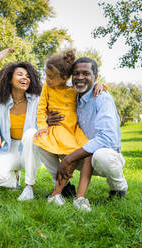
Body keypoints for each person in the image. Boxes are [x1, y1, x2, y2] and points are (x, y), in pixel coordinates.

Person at [51, 57, 128, 211]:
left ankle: (118, 187)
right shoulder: (73, 96)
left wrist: (70, 158)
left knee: (100, 155)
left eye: (86, 74)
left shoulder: (102, 98)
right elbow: (53, 87)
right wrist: (47, 119)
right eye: (76, 73)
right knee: (43, 144)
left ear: (95, 77)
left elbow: (107, 138)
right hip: (82, 153)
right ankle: (61, 190)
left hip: (105, 156)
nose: (80, 77)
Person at [33, 51, 101, 210]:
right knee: (39, 143)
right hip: (57, 129)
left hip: (72, 129)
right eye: (46, 75)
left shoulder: (74, 88)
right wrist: (42, 127)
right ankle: (58, 191)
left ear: (64, 78)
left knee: (85, 154)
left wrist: (100, 85)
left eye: (51, 77)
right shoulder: (47, 88)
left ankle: (78, 195)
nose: (47, 79)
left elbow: (90, 89)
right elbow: (41, 108)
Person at [0, 62, 42, 201]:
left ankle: (29, 187)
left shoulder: (37, 100)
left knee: (30, 134)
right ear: (9, 79)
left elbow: (58, 86)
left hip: (33, 149)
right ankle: (14, 180)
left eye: (28, 76)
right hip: (11, 148)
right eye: (20, 74)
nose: (25, 78)